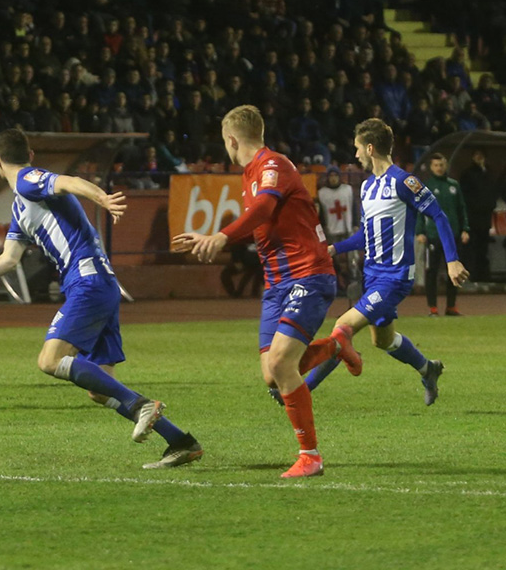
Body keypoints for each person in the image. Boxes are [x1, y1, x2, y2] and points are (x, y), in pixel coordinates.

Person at [0, 129, 203, 470]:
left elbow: (69, 181)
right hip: (97, 283)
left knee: (49, 360)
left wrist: (102, 198)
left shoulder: (29, 180)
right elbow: (7, 260)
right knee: (100, 389)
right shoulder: (21, 204)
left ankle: (142, 406)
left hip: (87, 281)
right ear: (29, 152)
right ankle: (181, 441)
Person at [172, 105, 356, 479]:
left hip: (308, 274)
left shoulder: (273, 165)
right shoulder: (250, 174)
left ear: (231, 140)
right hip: (277, 284)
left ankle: (311, 456)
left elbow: (265, 206)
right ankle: (335, 346)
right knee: (271, 375)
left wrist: (221, 236)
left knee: (281, 364)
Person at [296, 120, 470, 406]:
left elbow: (438, 215)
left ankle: (301, 390)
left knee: (342, 327)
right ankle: (429, 368)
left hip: (395, 277)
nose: (355, 156)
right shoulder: (366, 187)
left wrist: (452, 260)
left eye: (357, 149)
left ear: (370, 148)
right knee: (383, 341)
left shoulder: (404, 182)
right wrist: (334, 248)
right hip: (373, 276)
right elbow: (366, 235)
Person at [416, 153, 470, 316]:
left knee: (454, 271)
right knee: (431, 271)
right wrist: (420, 231)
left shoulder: (454, 185)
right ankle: (432, 308)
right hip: (433, 234)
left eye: (442, 165)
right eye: (436, 165)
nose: (439, 168)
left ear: (446, 165)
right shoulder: (427, 186)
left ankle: (451, 306)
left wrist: (465, 228)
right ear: (431, 167)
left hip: (453, 234)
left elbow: (462, 209)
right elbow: (419, 211)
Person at [459, 149, 498, 282]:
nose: (479, 157)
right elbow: (465, 195)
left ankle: (483, 276)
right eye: (476, 155)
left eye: (481, 155)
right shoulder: (467, 174)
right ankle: (472, 276)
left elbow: (494, 192)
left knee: (483, 248)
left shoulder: (489, 173)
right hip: (472, 217)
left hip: (485, 217)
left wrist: (491, 205)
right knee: (472, 248)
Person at [317, 165, 357, 295]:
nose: (333, 179)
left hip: (347, 229)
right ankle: (336, 286)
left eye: (335, 176)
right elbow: (321, 216)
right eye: (331, 176)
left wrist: (355, 223)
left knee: (352, 260)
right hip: (331, 231)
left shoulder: (347, 190)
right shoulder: (322, 193)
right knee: (332, 261)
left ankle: (354, 284)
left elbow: (353, 207)